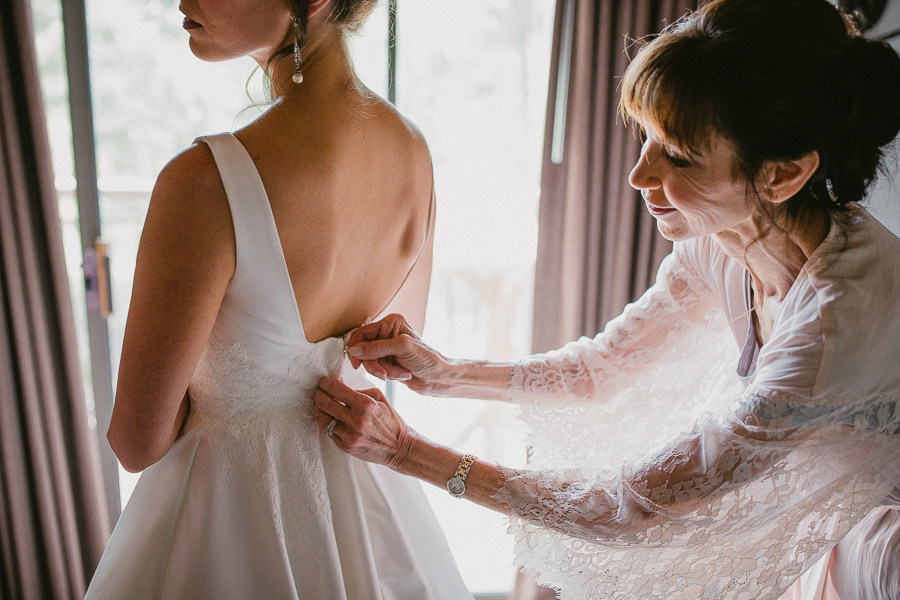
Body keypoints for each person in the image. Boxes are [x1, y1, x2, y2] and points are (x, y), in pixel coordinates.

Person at [312, 0, 900, 598]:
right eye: (648, 137)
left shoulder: (833, 325)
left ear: (781, 175)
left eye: (678, 156)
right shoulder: (726, 241)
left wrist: (407, 451)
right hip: (833, 529)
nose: (638, 176)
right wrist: (443, 374)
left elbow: (638, 506)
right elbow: (599, 368)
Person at [85, 0, 472, 598]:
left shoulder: (203, 181)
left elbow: (137, 442)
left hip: (223, 521)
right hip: (365, 511)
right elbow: (392, 346)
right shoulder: (413, 152)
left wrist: (227, 392)